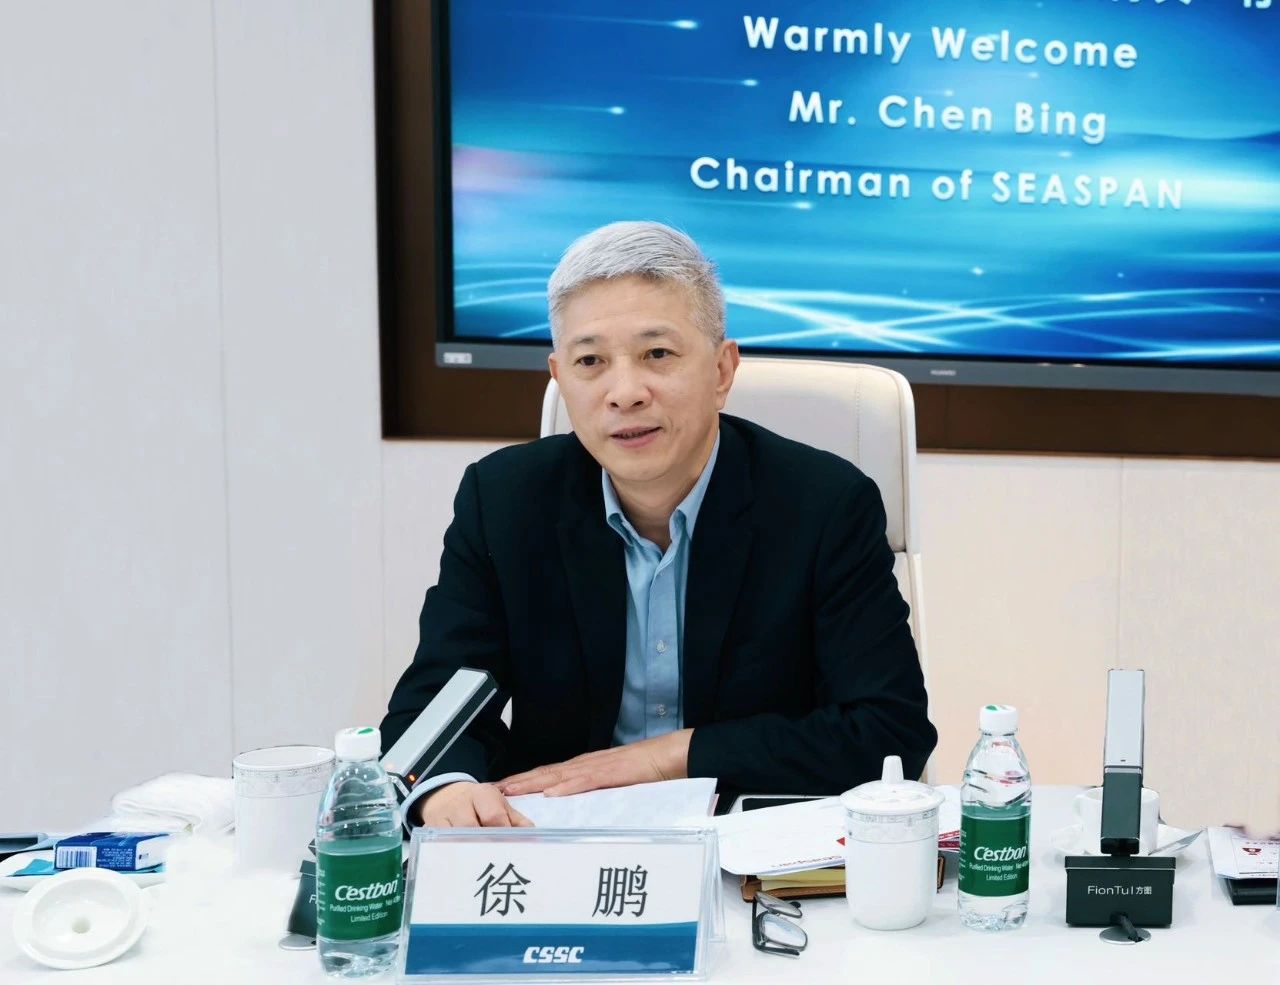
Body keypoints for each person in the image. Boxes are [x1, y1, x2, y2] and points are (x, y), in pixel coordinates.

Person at [380, 221, 937, 827]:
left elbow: (889, 731)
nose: (624, 393)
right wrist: (445, 789)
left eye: (657, 354)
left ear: (722, 371)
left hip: (747, 840)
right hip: (559, 843)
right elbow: (434, 708)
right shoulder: (504, 502)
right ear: (559, 378)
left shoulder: (824, 505)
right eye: (590, 361)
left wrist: (668, 757)